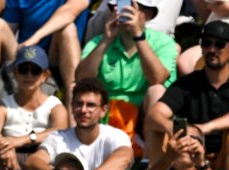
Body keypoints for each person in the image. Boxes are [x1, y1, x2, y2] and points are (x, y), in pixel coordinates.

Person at [145, 21, 229, 170]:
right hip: (192, 156)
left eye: (219, 45)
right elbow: (154, 115)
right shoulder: (186, 84)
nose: (212, 50)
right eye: (206, 44)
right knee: (157, 130)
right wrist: (178, 130)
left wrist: (204, 128)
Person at [0, 0, 89, 126]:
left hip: (55, 59)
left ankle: (73, 106)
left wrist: (36, 37)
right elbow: (10, 29)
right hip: (26, 56)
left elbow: (69, 12)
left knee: (68, 29)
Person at [76, 0, 177, 135]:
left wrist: (138, 35)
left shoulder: (164, 42)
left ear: (149, 14)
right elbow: (81, 79)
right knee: (74, 89)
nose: (125, 13)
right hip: (103, 114)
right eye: (119, 7)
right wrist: (106, 40)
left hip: (143, 117)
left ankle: (152, 154)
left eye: (133, 8)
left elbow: (157, 78)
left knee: (157, 91)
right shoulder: (98, 41)